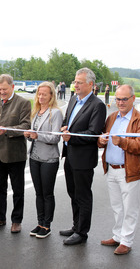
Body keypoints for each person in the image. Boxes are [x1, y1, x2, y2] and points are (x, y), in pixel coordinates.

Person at [97, 85, 140, 255]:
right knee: (117, 207)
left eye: (124, 99)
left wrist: (122, 142)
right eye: (118, 99)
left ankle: (127, 241)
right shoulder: (112, 117)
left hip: (129, 170)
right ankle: (118, 235)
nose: (120, 102)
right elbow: (101, 141)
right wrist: (101, 141)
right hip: (111, 169)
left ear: (133, 99)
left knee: (129, 208)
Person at [60, 67, 106, 245]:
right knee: (73, 193)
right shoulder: (73, 100)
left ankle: (82, 232)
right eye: (75, 81)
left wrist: (71, 136)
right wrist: (64, 128)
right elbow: (66, 122)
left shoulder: (98, 105)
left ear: (91, 84)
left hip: (83, 159)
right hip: (69, 156)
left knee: (83, 196)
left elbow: (94, 132)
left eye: (79, 82)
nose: (75, 85)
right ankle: (75, 225)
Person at [0, 74, 31, 233]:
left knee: (18, 189)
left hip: (15, 154)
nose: (2, 92)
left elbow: (26, 125)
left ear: (12, 87)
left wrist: (6, 130)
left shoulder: (23, 103)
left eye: (4, 89)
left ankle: (16, 220)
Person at [24, 81, 62, 239]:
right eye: (39, 94)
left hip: (49, 159)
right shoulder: (37, 111)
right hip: (34, 157)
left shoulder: (56, 113)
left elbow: (55, 138)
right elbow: (34, 134)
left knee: (47, 193)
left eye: (44, 94)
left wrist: (37, 135)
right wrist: (29, 135)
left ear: (51, 96)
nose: (40, 97)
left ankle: (47, 225)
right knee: (38, 193)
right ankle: (40, 223)